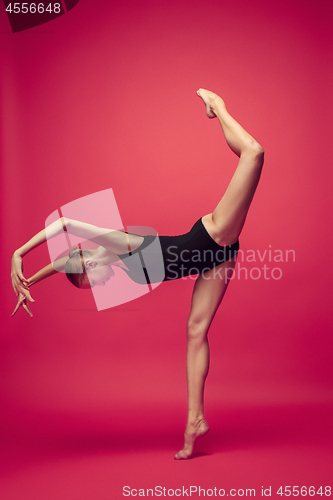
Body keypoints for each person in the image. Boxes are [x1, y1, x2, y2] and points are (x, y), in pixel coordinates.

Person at [11, 89, 264, 459]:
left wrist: (19, 253)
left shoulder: (118, 245)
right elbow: (67, 261)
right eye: (89, 285)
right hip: (212, 262)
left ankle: (217, 105)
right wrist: (32, 279)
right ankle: (195, 421)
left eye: (89, 277)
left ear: (89, 261)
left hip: (213, 235)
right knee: (196, 332)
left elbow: (66, 224)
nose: (96, 283)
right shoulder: (111, 264)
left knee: (254, 152)